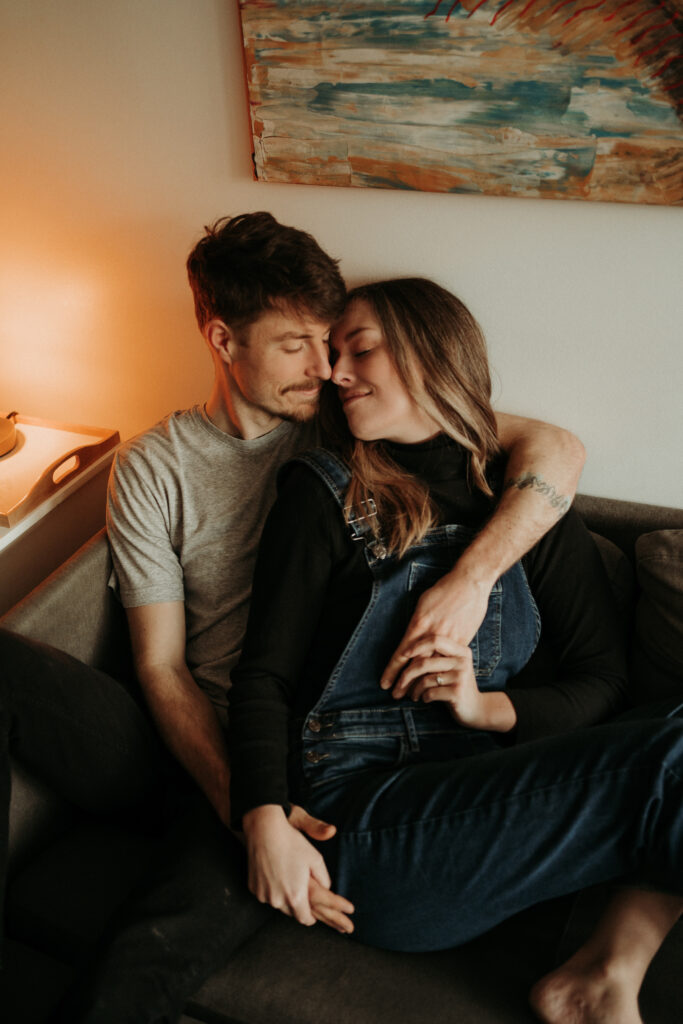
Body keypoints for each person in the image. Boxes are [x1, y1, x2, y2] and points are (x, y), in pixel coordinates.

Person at [0, 216, 585, 1024]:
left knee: (154, 945)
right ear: (221, 338)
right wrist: (245, 809)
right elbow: (163, 669)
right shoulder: (154, 466)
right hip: (186, 738)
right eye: (294, 346)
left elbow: (553, 446)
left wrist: (473, 578)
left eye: (333, 343)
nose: (327, 368)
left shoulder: (355, 424)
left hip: (298, 750)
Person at [228, 276, 683, 1024]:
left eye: (360, 349)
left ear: (434, 355)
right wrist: (261, 818)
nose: (333, 373)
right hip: (362, 829)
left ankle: (605, 973)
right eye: (331, 354)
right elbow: (264, 678)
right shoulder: (321, 494)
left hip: (491, 804)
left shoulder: (527, 511)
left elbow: (604, 683)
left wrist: (484, 707)